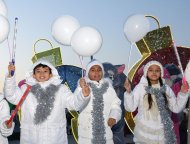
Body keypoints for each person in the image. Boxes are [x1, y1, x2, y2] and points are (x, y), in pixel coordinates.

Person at [4, 60, 90, 144]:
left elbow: (74, 104)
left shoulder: (61, 89)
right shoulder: (25, 89)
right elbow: (11, 96)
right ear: (33, 75)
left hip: (55, 138)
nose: (42, 74)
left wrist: (82, 95)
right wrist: (10, 77)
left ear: (51, 73)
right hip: (31, 138)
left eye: (45, 71)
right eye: (38, 71)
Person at [124, 60, 189, 144]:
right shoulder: (140, 88)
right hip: (144, 135)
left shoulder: (166, 89)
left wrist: (183, 93)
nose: (154, 72)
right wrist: (128, 93)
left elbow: (176, 108)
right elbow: (130, 107)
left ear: (161, 72)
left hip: (163, 135)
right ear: (146, 72)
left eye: (157, 70)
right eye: (151, 70)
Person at [75, 59, 122, 144]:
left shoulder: (109, 87)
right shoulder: (82, 85)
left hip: (106, 135)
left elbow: (116, 105)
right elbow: (76, 105)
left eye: (99, 70)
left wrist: (114, 117)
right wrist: (80, 89)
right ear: (88, 73)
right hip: (87, 136)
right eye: (93, 70)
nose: (96, 72)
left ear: (103, 72)